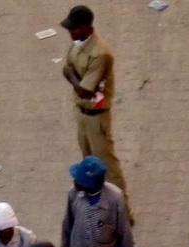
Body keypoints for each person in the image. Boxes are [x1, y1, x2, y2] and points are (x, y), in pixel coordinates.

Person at [61, 5, 131, 218]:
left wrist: (72, 77)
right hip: (82, 114)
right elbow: (66, 67)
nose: (70, 32)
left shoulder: (100, 53)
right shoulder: (78, 44)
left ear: (86, 27)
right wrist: (74, 78)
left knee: (107, 166)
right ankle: (97, 204)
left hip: (96, 117)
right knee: (88, 163)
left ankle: (123, 213)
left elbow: (84, 90)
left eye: (73, 28)